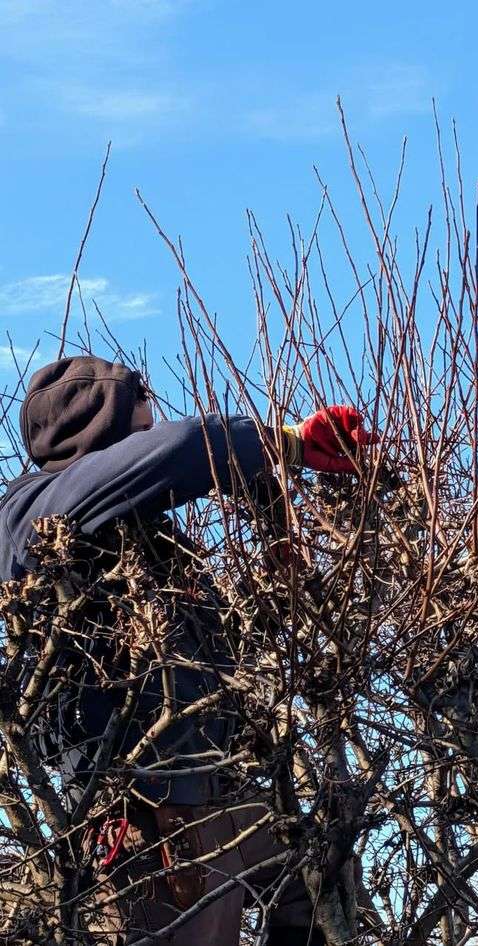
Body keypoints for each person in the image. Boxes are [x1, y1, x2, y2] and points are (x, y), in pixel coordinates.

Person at [0, 355, 373, 945]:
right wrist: (289, 443)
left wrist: (271, 508)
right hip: (144, 819)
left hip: (217, 791)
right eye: (140, 415)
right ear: (102, 426)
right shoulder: (30, 510)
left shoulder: (145, 541)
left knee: (319, 873)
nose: (153, 425)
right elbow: (185, 448)